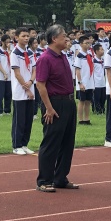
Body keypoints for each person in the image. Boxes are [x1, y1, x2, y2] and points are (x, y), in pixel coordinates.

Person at [35, 25, 78, 193]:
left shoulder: (63, 56)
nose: (67, 39)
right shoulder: (45, 59)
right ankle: (44, 180)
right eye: (63, 36)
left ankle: (60, 177)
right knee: (51, 142)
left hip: (68, 102)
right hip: (55, 103)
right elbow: (40, 85)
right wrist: (49, 108)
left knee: (67, 142)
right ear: (54, 39)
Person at [11, 28, 36, 155]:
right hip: (20, 90)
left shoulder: (30, 52)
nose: (26, 38)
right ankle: (17, 145)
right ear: (16, 37)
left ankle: (25, 144)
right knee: (19, 119)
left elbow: (34, 69)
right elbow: (17, 73)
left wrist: (31, 82)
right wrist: (26, 88)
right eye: (23, 36)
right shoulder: (15, 53)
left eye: (27, 36)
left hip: (30, 87)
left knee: (28, 119)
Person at [74, 35, 94, 126]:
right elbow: (77, 70)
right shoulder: (79, 56)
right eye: (86, 43)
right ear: (81, 44)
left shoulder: (90, 54)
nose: (88, 45)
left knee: (88, 101)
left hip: (89, 82)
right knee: (81, 101)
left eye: (89, 43)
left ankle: (87, 118)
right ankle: (80, 119)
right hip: (82, 82)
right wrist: (80, 82)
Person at [0, 34, 12, 116]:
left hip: (10, 76)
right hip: (0, 76)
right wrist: (4, 73)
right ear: (2, 42)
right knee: (0, 94)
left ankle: (7, 110)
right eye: (6, 42)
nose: (8, 44)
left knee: (8, 94)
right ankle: (0, 110)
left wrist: (9, 51)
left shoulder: (10, 52)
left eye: (9, 42)